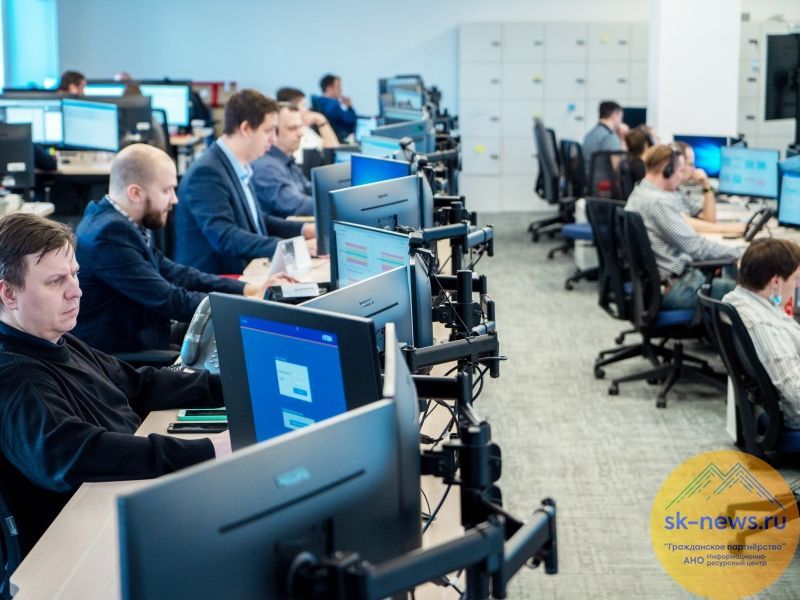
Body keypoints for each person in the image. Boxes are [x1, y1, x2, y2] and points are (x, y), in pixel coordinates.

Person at [0, 213, 231, 553]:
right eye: (55, 282)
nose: (76, 291)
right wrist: (208, 450)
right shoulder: (15, 377)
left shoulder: (54, 339)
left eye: (75, 274)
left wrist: (235, 386)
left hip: (124, 496)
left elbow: (140, 385)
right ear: (8, 293)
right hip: (88, 539)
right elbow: (79, 455)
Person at [73, 144, 294, 354]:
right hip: (125, 356)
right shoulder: (109, 234)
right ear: (135, 193)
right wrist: (247, 303)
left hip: (146, 333)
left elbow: (179, 274)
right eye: (167, 190)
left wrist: (248, 289)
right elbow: (170, 300)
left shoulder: (116, 220)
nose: (175, 199)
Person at [173, 90, 315, 274]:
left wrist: (304, 230)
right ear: (246, 128)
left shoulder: (238, 164)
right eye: (268, 130)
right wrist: (293, 249)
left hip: (246, 271)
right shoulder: (207, 173)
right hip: (218, 281)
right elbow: (226, 237)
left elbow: (257, 220)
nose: (273, 139)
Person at [625, 144, 742, 309]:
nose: (682, 177)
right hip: (678, 290)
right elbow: (696, 247)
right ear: (667, 169)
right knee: (748, 294)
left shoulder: (640, 192)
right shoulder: (658, 202)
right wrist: (741, 252)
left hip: (656, 288)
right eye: (680, 171)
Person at [723, 238, 800, 429]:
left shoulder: (735, 298)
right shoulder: (765, 326)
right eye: (796, 279)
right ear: (776, 282)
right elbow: (795, 391)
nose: (797, 285)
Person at [251, 103, 314, 217]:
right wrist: (336, 204)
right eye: (292, 128)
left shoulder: (287, 160)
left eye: (300, 126)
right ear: (273, 131)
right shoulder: (266, 167)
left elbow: (311, 190)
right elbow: (296, 205)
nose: (300, 133)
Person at [276, 86, 339, 161]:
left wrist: (321, 121)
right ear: (291, 107)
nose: (307, 109)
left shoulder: (305, 129)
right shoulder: (290, 135)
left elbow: (333, 149)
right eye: (304, 105)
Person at [582, 100, 629, 177]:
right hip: (601, 181)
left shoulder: (591, 133)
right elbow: (616, 169)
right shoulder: (609, 137)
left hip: (588, 178)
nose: (621, 121)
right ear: (615, 115)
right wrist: (623, 137)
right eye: (621, 118)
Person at [312, 74, 357, 142]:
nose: (341, 90)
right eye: (338, 86)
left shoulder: (320, 101)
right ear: (329, 88)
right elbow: (351, 121)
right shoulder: (333, 104)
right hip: (340, 140)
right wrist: (349, 107)